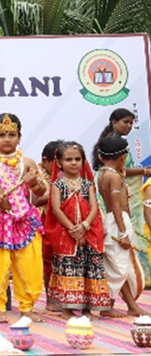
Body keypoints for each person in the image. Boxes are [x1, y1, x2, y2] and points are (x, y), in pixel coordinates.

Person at [0, 113, 46, 323]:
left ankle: (27, 307)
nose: (7, 139)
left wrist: (34, 182)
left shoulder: (27, 162)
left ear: (19, 136)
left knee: (29, 264)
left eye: (11, 134)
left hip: (24, 220)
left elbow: (41, 191)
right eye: (1, 135)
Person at [45, 141, 111, 318]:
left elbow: (94, 208)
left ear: (83, 161)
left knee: (88, 267)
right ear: (59, 163)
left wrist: (84, 226)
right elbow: (56, 209)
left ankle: (87, 308)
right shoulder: (57, 185)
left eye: (77, 159)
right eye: (68, 159)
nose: (73, 163)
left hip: (88, 232)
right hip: (66, 234)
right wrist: (72, 229)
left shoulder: (87, 184)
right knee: (68, 267)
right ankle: (66, 308)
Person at [92, 108, 151, 285]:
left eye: (131, 123)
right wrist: (145, 171)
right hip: (119, 199)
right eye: (125, 122)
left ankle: (136, 281)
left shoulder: (114, 141)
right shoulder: (112, 144)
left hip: (126, 194)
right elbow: (122, 171)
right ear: (113, 122)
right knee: (124, 234)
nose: (129, 126)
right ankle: (141, 279)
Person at [94, 136, 147, 316]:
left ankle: (124, 305)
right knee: (120, 267)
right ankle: (111, 306)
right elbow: (116, 205)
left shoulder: (105, 174)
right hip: (118, 222)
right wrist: (123, 232)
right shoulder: (113, 177)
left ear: (101, 157)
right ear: (123, 157)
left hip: (114, 221)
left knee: (119, 266)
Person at [37, 140, 62, 312]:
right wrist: (55, 194)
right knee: (48, 262)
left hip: (61, 222)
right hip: (43, 221)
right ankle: (50, 299)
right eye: (57, 164)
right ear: (45, 160)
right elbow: (34, 201)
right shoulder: (35, 175)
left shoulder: (64, 175)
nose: (60, 167)